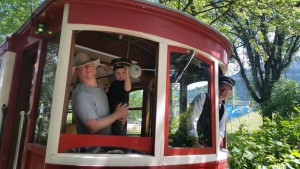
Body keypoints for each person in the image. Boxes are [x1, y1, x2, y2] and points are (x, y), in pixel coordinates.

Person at [71, 53, 129, 152]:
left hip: (107, 147)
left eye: (90, 64)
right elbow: (92, 126)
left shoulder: (101, 88)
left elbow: (106, 113)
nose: (88, 67)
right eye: (83, 66)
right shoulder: (82, 94)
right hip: (93, 151)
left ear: (94, 67)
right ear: (76, 72)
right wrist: (117, 114)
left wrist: (120, 115)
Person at [188, 75, 235, 147]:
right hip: (190, 144)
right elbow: (191, 120)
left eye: (228, 89)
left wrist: (217, 144)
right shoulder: (203, 97)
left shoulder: (223, 108)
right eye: (221, 87)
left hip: (208, 147)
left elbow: (221, 129)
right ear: (215, 87)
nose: (223, 91)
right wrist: (195, 143)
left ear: (229, 94)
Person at [106, 58, 132, 135]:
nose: (120, 75)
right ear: (114, 73)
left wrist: (127, 75)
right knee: (110, 129)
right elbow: (110, 96)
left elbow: (127, 89)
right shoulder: (113, 83)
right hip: (111, 109)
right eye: (118, 73)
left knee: (118, 130)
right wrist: (107, 91)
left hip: (120, 108)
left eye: (123, 72)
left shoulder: (125, 82)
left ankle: (120, 144)